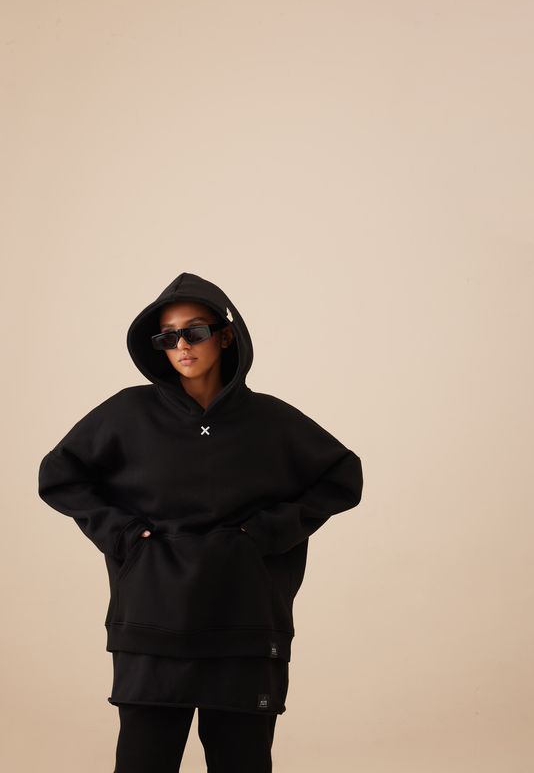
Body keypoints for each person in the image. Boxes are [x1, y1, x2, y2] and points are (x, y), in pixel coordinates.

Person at [38, 271, 364, 772]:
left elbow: (342, 474)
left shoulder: (269, 420)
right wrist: (125, 536)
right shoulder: (128, 413)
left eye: (194, 331)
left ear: (225, 335)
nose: (182, 346)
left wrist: (267, 534)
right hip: (152, 619)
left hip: (244, 624)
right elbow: (59, 475)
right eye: (167, 338)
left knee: (242, 761)